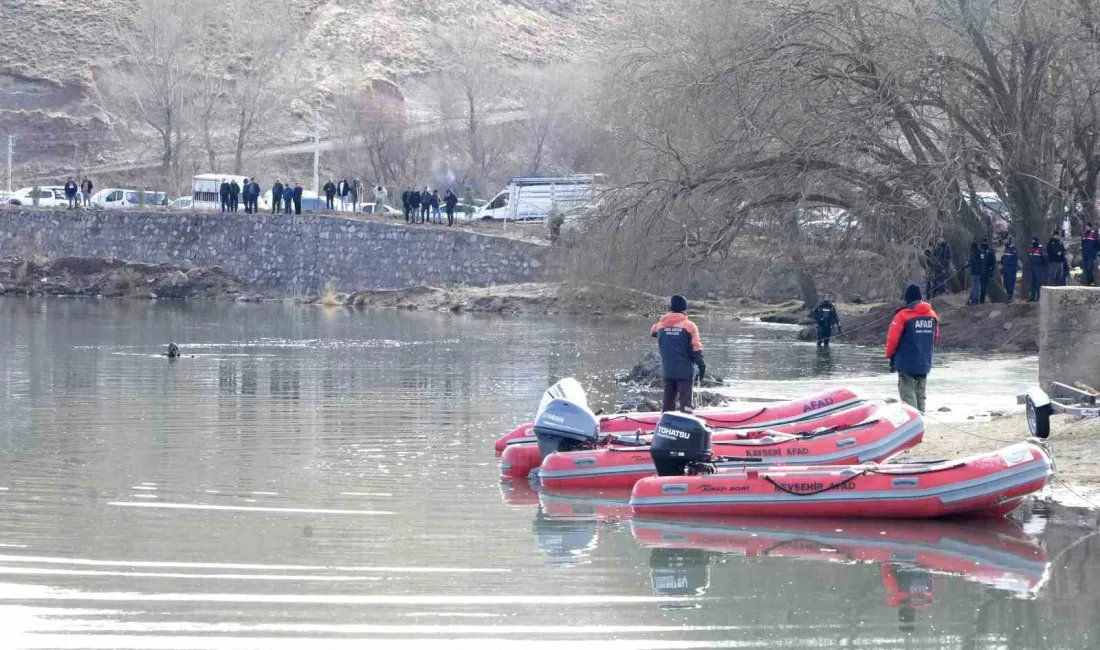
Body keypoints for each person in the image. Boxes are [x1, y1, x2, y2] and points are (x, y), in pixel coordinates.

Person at [885, 284, 939, 413]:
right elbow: (936, 338)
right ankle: (921, 422)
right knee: (921, 395)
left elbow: (892, 340)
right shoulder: (932, 315)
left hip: (906, 363)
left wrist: (889, 355)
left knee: (908, 396)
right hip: (924, 362)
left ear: (907, 298)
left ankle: (912, 424)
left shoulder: (902, 315)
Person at [650, 295, 706, 413]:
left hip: (668, 370)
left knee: (667, 405)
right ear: (684, 308)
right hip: (684, 372)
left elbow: (653, 332)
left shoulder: (660, 326)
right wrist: (701, 366)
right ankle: (686, 425)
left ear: (671, 307)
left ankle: (665, 425)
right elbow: (696, 348)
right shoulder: (690, 326)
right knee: (685, 406)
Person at [1027, 236, 1045, 302]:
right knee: (1032, 283)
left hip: (1039, 268)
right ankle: (1032, 296)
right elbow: (1028, 256)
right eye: (1032, 240)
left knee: (1038, 283)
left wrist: (1041, 266)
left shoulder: (1040, 249)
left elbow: (1044, 258)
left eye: (1034, 240)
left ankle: (1038, 296)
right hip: (1031, 268)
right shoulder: (1030, 248)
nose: (1033, 242)